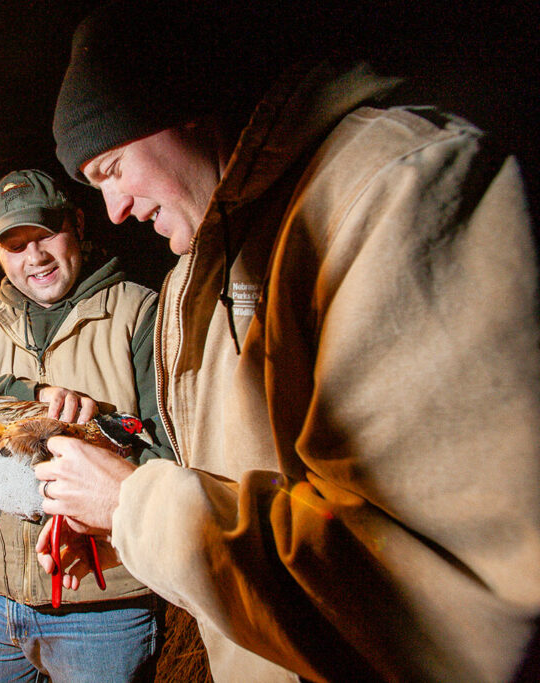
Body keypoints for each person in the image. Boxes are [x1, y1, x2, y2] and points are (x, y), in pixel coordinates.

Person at [34, 1, 540, 681]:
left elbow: (450, 603)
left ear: (181, 108)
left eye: (112, 169)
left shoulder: (393, 191)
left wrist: (136, 505)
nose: (116, 212)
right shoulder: (198, 271)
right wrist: (122, 523)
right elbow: (255, 490)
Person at [0, 168, 174, 682]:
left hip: (104, 606)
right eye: (14, 244)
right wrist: (26, 398)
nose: (35, 257)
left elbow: (174, 453)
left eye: (47, 234)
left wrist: (99, 498)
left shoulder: (142, 314)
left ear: (78, 224)